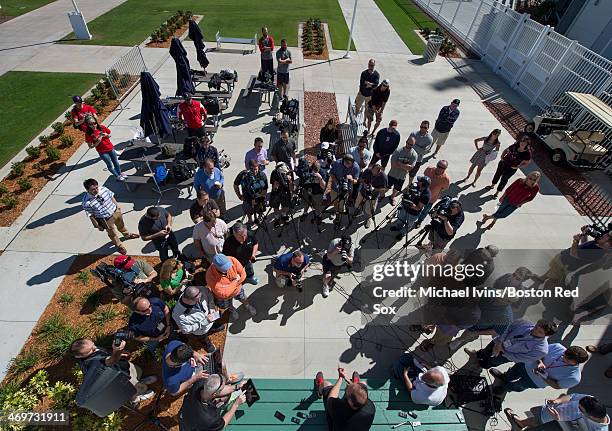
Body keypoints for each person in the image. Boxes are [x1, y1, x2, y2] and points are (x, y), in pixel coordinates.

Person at [71, 338, 156, 403]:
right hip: (118, 378)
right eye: (92, 349)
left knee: (135, 373)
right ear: (79, 356)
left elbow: (103, 352)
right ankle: (137, 397)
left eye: (93, 344)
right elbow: (111, 361)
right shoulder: (93, 363)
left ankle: (140, 381)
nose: (95, 348)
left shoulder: (91, 350)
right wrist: (117, 351)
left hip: (121, 368)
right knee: (131, 388)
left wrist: (116, 353)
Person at [490, 344, 588, 394]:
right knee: (512, 372)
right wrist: (540, 362)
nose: (562, 356)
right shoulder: (558, 347)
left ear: (575, 362)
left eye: (566, 358)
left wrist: (544, 376)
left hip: (533, 381)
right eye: (564, 354)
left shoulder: (574, 377)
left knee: (517, 386)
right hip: (525, 365)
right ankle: (504, 377)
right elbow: (540, 352)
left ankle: (504, 389)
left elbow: (557, 386)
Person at [465, 318, 558, 369]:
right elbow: (507, 328)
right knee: (485, 351)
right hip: (497, 342)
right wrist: (499, 343)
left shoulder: (541, 350)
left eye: (540, 332)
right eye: (537, 327)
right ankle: (476, 355)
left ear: (546, 335)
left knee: (490, 362)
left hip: (505, 356)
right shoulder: (524, 322)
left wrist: (503, 352)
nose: (535, 330)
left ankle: (479, 366)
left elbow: (521, 358)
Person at [81, 178, 139, 255]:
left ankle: (127, 235)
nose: (96, 190)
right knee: (112, 233)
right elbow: (91, 215)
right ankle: (119, 245)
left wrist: (117, 207)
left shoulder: (104, 189)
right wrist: (97, 225)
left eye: (96, 187)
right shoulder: (86, 202)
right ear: (87, 190)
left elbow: (111, 196)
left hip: (115, 212)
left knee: (121, 225)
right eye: (93, 189)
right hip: (105, 219)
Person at [179, 374, 247, 431]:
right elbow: (223, 424)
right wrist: (236, 404)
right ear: (214, 394)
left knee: (224, 397)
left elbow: (213, 391)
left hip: (185, 415)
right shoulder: (210, 418)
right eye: (222, 389)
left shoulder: (200, 383)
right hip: (191, 428)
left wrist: (236, 387)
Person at [505, 394, 609, 431]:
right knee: (536, 417)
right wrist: (558, 401)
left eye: (580, 409)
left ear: (592, 416)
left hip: (556, 427)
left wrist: (558, 420)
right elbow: (573, 396)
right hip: (554, 413)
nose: (578, 408)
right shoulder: (589, 399)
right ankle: (520, 424)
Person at [206, 254, 256, 320]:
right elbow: (223, 294)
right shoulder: (210, 276)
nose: (228, 269)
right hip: (224, 297)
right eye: (224, 268)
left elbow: (243, 275)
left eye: (228, 266)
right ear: (215, 266)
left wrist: (228, 287)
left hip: (237, 290)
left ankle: (247, 306)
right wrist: (235, 281)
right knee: (228, 305)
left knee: (243, 298)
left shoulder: (232, 260)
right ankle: (233, 311)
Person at [172, 286, 219, 353]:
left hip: (210, 319)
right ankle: (207, 345)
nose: (201, 296)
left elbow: (209, 295)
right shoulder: (177, 314)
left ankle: (212, 327)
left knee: (216, 325)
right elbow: (186, 330)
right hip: (201, 331)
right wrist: (205, 322)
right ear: (189, 300)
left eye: (200, 293)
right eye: (198, 297)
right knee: (203, 338)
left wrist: (211, 308)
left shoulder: (199, 291)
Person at [84, 115, 125, 181]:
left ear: (96, 122)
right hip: (102, 151)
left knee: (116, 162)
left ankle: (120, 173)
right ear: (87, 124)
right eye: (90, 124)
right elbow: (90, 146)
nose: (93, 125)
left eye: (94, 123)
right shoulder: (88, 134)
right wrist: (98, 141)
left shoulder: (101, 127)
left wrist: (106, 135)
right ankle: (117, 176)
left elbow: (109, 134)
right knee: (110, 165)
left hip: (110, 148)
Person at [390, 175, 432, 241]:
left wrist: (410, 204)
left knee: (408, 225)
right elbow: (407, 193)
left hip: (413, 213)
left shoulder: (426, 195)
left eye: (420, 181)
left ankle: (401, 234)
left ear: (423, 184)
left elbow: (418, 207)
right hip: (405, 208)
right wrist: (407, 192)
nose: (418, 181)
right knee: (400, 219)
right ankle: (398, 227)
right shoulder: (416, 186)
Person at [325, 154, 360, 226]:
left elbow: (356, 181)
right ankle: (335, 211)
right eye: (346, 163)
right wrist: (337, 182)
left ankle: (338, 218)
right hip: (335, 188)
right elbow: (331, 174)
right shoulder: (337, 163)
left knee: (341, 205)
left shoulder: (356, 167)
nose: (348, 165)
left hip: (346, 190)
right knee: (335, 202)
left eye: (349, 164)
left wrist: (352, 179)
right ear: (343, 161)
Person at [414, 160, 451, 227]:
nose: (439, 168)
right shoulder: (429, 169)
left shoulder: (446, 179)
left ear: (445, 169)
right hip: (421, 194)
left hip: (431, 198)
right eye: (439, 166)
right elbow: (423, 177)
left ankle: (419, 221)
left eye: (442, 168)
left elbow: (444, 188)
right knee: (416, 207)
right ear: (436, 165)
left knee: (425, 211)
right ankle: (412, 218)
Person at [234, 160, 268, 224]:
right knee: (248, 211)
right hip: (247, 198)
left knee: (261, 210)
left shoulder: (262, 175)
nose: (255, 172)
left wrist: (260, 198)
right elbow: (235, 185)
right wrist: (239, 196)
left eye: (256, 169)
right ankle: (250, 220)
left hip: (259, 198)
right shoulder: (243, 175)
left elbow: (265, 188)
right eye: (252, 170)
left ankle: (259, 218)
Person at [355, 162, 387, 228]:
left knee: (369, 210)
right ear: (371, 169)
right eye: (372, 172)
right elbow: (360, 179)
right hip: (363, 192)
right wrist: (364, 183)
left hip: (373, 196)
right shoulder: (367, 171)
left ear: (379, 171)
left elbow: (384, 189)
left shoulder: (383, 177)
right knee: (357, 204)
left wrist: (375, 189)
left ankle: (368, 218)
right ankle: (359, 210)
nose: (373, 174)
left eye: (375, 173)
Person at [386, 136, 417, 205]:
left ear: (413, 145)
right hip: (392, 174)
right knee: (386, 187)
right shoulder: (398, 150)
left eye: (411, 145)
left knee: (396, 189)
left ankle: (392, 197)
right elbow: (393, 164)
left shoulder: (414, 155)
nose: (409, 145)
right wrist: (405, 166)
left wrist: (399, 163)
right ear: (406, 142)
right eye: (408, 143)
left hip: (402, 176)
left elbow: (410, 168)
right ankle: (381, 196)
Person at [298, 159, 328, 225]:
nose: (314, 173)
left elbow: (324, 187)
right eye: (313, 170)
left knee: (317, 206)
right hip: (308, 189)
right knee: (306, 203)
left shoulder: (323, 172)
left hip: (318, 192)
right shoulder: (308, 170)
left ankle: (319, 216)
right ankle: (305, 213)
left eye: (316, 171)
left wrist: (320, 178)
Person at [269, 161, 294, 228]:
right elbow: (273, 187)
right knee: (276, 207)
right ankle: (277, 219)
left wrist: (290, 181)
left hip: (286, 192)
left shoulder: (289, 172)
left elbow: (291, 188)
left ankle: (284, 216)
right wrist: (275, 186)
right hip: (276, 193)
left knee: (285, 206)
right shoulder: (274, 173)